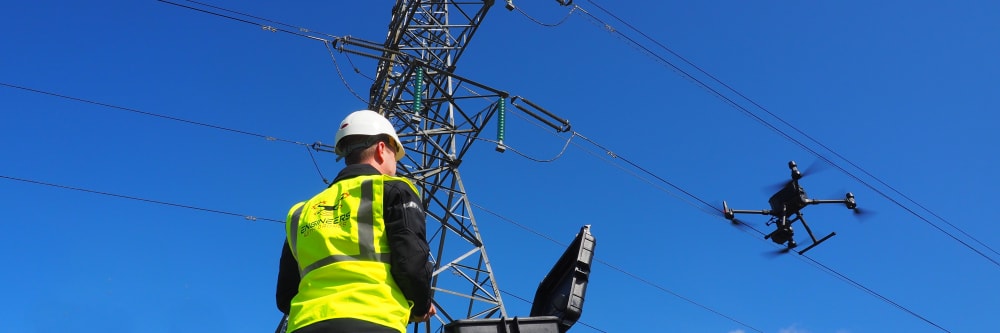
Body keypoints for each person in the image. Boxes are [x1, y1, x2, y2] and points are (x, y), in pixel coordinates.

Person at [276, 110, 436, 333]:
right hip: (373, 321)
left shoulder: (300, 212)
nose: (396, 165)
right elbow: (411, 263)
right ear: (382, 149)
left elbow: (285, 297)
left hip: (305, 325)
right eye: (394, 155)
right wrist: (421, 306)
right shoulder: (391, 189)